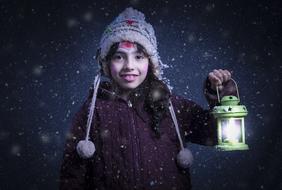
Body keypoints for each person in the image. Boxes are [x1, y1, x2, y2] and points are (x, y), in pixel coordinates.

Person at [59, 7, 236, 190]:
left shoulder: (172, 106)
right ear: (106, 63)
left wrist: (222, 98)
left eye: (138, 56)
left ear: (150, 63)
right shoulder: (92, 112)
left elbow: (219, 135)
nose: (129, 66)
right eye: (119, 57)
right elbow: (72, 176)